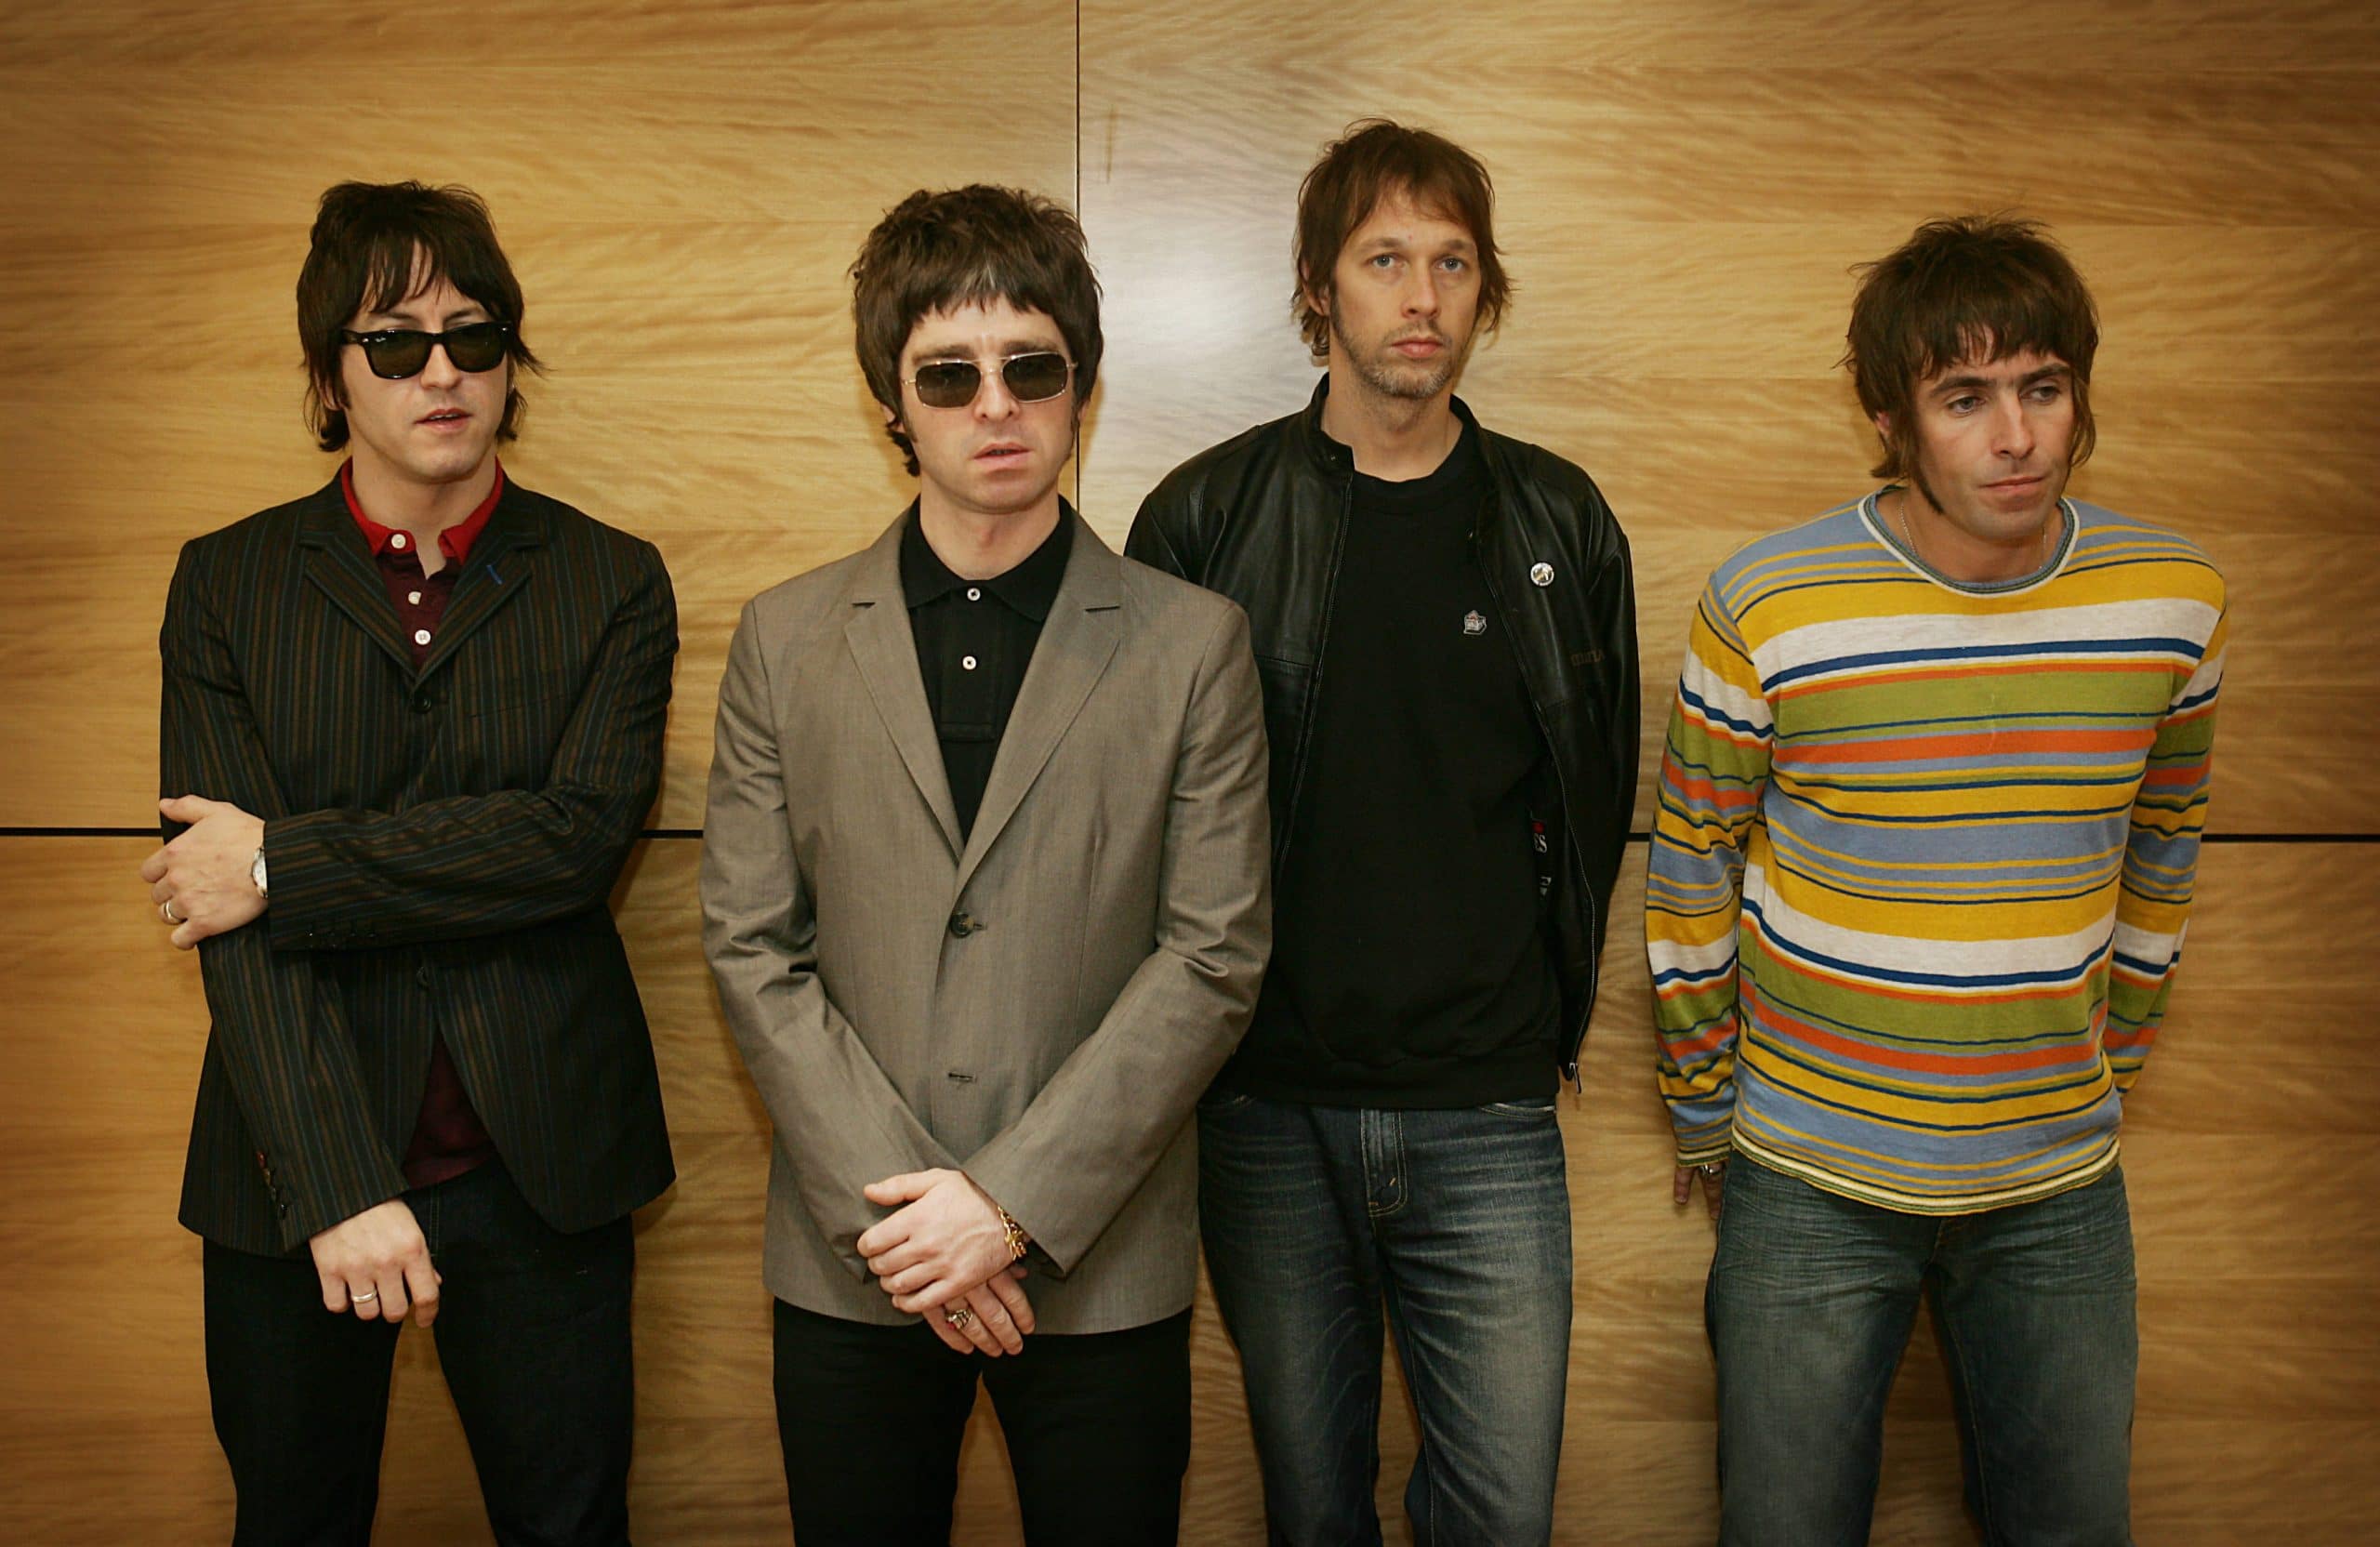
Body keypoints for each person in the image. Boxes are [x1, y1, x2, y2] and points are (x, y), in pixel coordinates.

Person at [699, 182, 1271, 1546]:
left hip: (1099, 1264)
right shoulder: (783, 640)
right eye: (948, 375)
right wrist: (918, 1221)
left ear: (1083, 386)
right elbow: (749, 948)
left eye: (1033, 368)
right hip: (858, 1261)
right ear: (892, 403)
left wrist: (1008, 1209)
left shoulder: (1195, 646)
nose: (996, 405)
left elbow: (1213, 956)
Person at [1648, 214, 2227, 1545]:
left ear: (2081, 395)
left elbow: (2165, 856)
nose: (2014, 435)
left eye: (2043, 387)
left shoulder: (2175, 602)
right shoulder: (1770, 603)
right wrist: (1702, 1109)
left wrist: (2105, 1067)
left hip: (2057, 1184)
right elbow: (1690, 873)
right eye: (1964, 397)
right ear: (1894, 416)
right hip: (1808, 1171)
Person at [141, 179, 677, 1545]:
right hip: (288, 1165)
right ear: (332, 376)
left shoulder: (612, 578)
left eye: (473, 336)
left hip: (541, 1162)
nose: (442, 371)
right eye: (395, 342)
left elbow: (570, 844)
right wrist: (338, 1191)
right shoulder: (228, 583)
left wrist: (286, 863)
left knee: (573, 1524)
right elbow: (223, 911)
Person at [1128, 120, 1640, 1545]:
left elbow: (1593, 798)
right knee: (1312, 1511)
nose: (1422, 297)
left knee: (1503, 1519)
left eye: (1453, 262)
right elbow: (1145, 821)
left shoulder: (1562, 520)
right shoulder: (1204, 519)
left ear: (1486, 292)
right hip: (1267, 1110)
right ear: (1318, 288)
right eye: (1385, 260)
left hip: (1487, 1111)